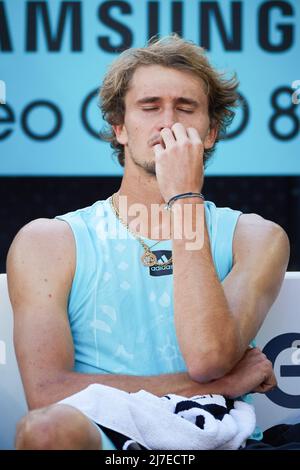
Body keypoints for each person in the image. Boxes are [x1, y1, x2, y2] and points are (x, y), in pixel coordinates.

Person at [7, 35, 293, 450]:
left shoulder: (255, 236)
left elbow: (207, 356)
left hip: (216, 437)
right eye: (150, 106)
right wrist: (224, 383)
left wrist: (185, 199)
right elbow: (47, 393)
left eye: (185, 107)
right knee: (46, 431)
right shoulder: (49, 241)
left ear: (210, 132)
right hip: (106, 440)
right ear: (120, 128)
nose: (168, 122)